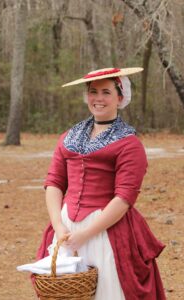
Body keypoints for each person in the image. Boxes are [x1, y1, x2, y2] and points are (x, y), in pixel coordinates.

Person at [36, 67, 166, 300]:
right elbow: (54, 182)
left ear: (120, 96)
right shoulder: (69, 137)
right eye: (93, 91)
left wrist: (86, 233)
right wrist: (58, 225)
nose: (98, 98)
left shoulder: (129, 144)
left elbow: (124, 197)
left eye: (106, 92)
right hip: (66, 227)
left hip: (107, 230)